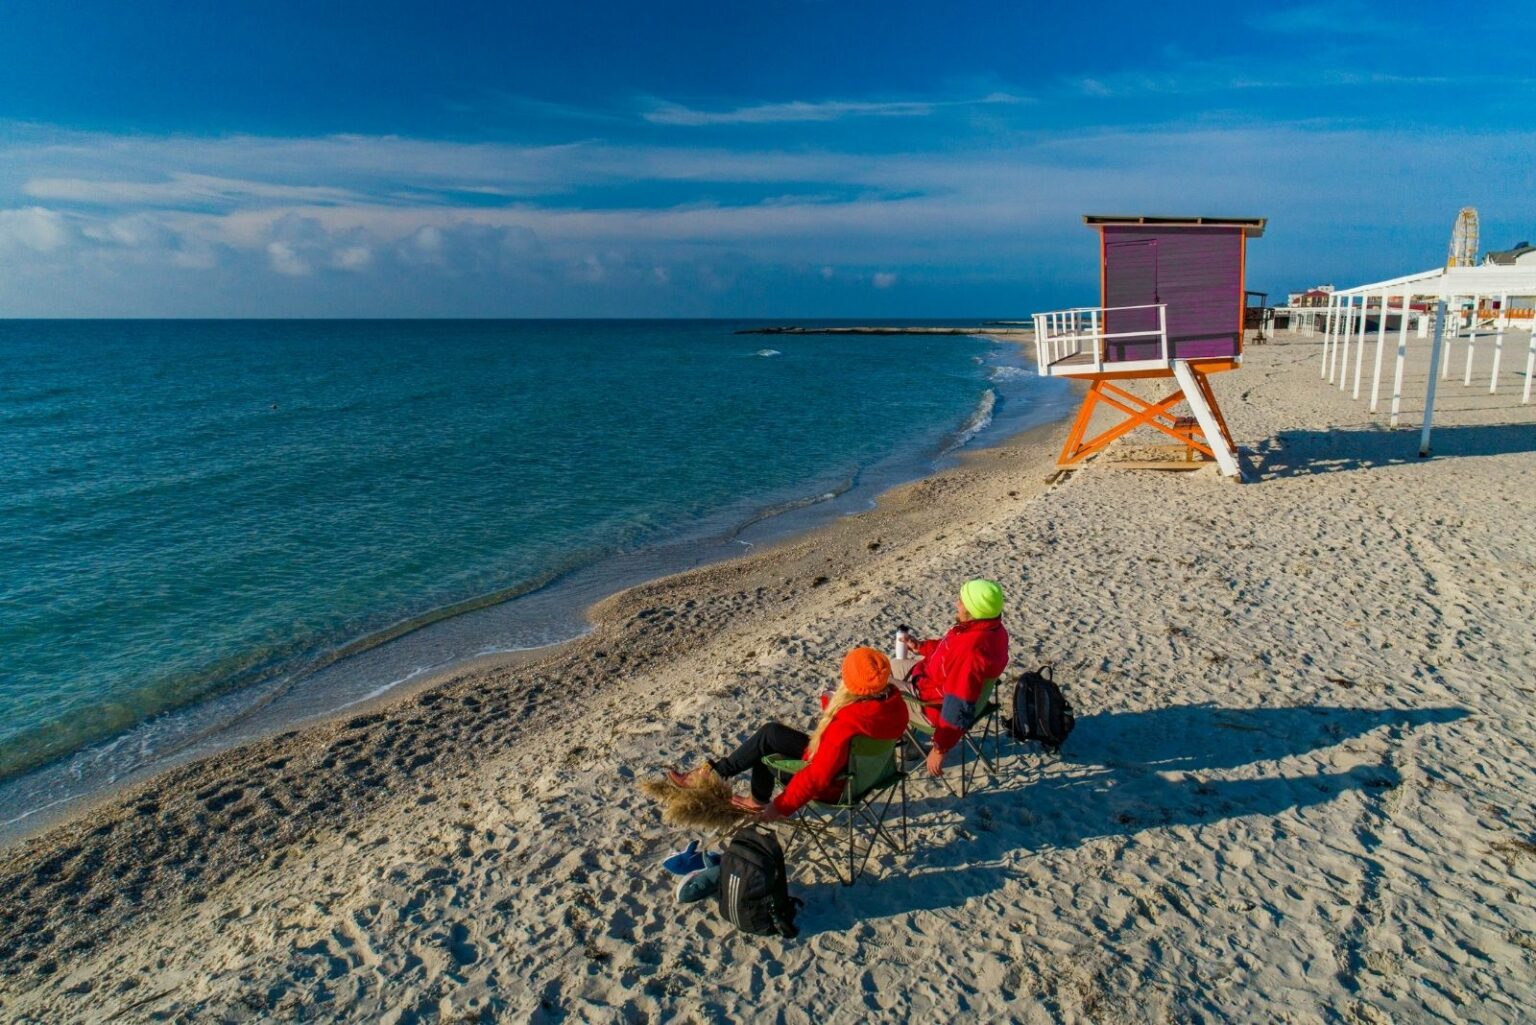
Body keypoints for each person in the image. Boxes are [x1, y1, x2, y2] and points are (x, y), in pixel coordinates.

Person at [665, 647, 908, 821]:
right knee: (771, 732)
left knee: (764, 753)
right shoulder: (896, 705)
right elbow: (849, 739)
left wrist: (780, 807)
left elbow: (817, 777)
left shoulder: (845, 724)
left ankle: (754, 800)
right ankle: (716, 773)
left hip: (838, 786)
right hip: (866, 774)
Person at [905, 579, 1009, 777]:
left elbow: (957, 704)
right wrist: (921, 647)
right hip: (931, 679)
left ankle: (906, 744)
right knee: (888, 667)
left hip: (931, 703)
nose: (956, 604)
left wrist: (940, 748)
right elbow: (948, 653)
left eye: (961, 601)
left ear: (972, 610)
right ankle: (909, 741)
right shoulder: (992, 630)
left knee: (876, 687)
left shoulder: (970, 651)